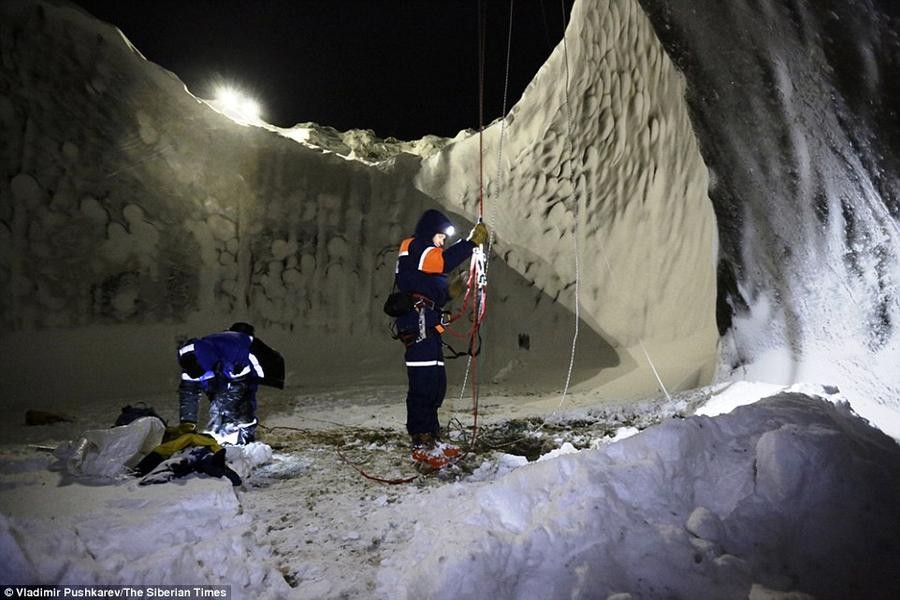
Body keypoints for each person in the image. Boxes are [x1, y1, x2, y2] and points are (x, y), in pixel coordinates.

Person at [392, 209, 489, 468]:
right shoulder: (414, 246)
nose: (442, 242)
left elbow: (435, 286)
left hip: (429, 320)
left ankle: (432, 437)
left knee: (436, 383)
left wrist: (452, 290)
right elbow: (441, 262)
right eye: (440, 236)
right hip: (418, 320)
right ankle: (420, 440)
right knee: (423, 382)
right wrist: (470, 243)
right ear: (429, 231)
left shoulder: (427, 257)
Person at [176, 322, 284, 445]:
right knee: (219, 399)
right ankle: (224, 427)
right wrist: (188, 422)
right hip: (219, 366)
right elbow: (189, 393)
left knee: (242, 401)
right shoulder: (190, 362)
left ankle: (245, 434)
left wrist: (223, 412)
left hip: (241, 369)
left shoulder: (236, 353)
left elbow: (239, 390)